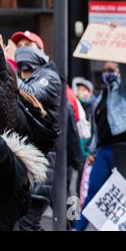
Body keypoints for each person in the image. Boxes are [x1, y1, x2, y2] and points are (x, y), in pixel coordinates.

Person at [74, 62, 126, 231]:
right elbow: (97, 130)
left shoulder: (124, 91)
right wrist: (92, 151)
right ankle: (78, 228)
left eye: (112, 70)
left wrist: (121, 61)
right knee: (93, 190)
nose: (107, 73)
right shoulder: (99, 98)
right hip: (104, 150)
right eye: (105, 71)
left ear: (119, 72)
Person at [13, 37, 62, 231]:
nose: (22, 50)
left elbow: (30, 94)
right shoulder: (15, 75)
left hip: (39, 165)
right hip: (16, 164)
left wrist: (5, 66)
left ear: (40, 50)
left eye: (28, 46)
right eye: (19, 47)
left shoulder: (49, 76)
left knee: (27, 225)